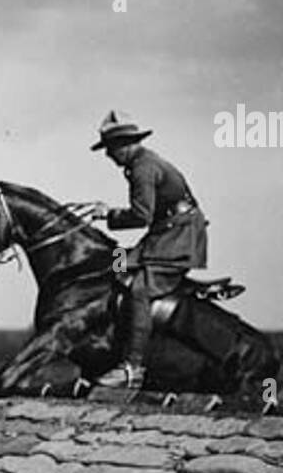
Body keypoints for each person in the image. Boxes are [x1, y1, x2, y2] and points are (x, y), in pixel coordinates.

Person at [76, 111, 208, 389]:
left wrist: (107, 214)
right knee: (113, 265)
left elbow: (141, 215)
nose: (109, 156)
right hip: (166, 232)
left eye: (110, 149)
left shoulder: (143, 168)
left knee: (139, 289)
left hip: (178, 237)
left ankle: (132, 367)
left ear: (124, 144)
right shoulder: (141, 163)